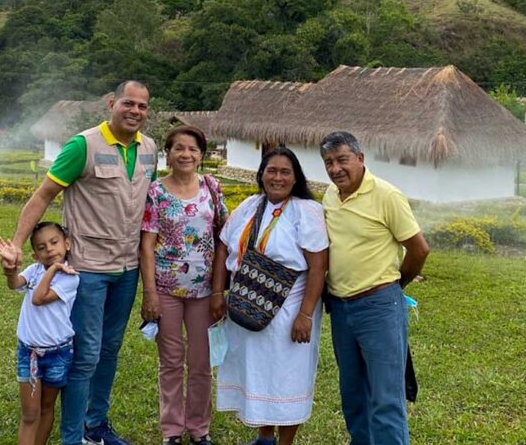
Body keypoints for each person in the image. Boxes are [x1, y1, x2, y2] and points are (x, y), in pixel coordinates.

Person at [6, 80, 157, 445]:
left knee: (109, 352)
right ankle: (72, 437)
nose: (135, 111)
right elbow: (43, 195)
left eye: (142, 106)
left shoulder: (150, 148)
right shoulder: (83, 145)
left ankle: (96, 425)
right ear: (111, 103)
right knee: (86, 355)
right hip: (88, 269)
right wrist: (16, 244)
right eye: (128, 103)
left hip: (127, 270)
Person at [211, 147, 329, 445]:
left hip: (289, 310)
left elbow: (318, 267)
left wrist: (305, 315)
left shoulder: (306, 211)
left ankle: (285, 442)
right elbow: (224, 246)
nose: (277, 177)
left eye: (285, 172)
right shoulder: (250, 206)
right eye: (271, 170)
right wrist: (217, 292)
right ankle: (265, 437)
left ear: (295, 178)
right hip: (247, 303)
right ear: (261, 174)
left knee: (288, 376)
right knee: (257, 372)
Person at [319, 131, 430, 445]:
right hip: (340, 308)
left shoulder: (387, 195)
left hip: (379, 307)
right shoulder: (329, 196)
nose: (336, 168)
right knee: (353, 394)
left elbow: (419, 249)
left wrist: (395, 286)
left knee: (385, 396)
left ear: (360, 158)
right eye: (329, 162)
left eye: (342, 159)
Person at [140, 125, 228, 445]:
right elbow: (147, 245)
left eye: (192, 149)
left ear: (201, 155)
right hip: (166, 289)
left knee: (202, 362)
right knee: (172, 361)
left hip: (204, 290)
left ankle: (199, 427)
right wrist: (149, 293)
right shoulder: (156, 192)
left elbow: (224, 238)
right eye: (179, 148)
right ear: (169, 153)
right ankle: (172, 429)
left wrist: (219, 289)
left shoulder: (212, 187)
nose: (186, 154)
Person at [0, 222, 80, 445]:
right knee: (30, 413)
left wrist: (52, 270)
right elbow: (14, 285)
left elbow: (38, 298)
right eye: (42, 247)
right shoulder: (34, 271)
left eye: (54, 242)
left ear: (67, 244)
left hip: (58, 354)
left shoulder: (70, 277)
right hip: (29, 353)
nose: (49, 250)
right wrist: (10, 270)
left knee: (46, 407)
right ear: (35, 255)